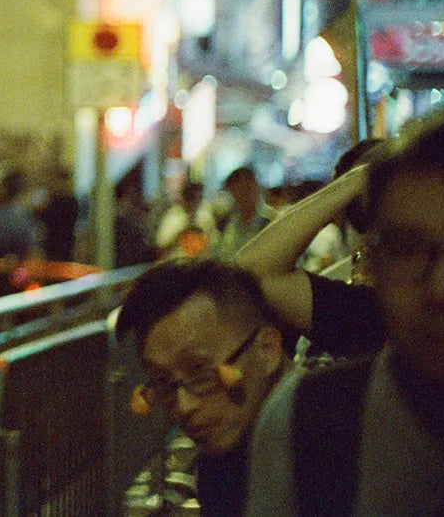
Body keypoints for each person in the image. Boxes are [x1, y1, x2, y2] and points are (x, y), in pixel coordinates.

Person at [244, 105, 444, 516]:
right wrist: (364, 176)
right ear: (370, 262)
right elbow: (253, 272)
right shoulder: (312, 422)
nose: (442, 288)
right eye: (408, 249)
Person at [116, 259, 292, 517]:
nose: (184, 407)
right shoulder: (218, 465)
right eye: (163, 383)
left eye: (200, 372)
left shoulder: (333, 439)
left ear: (267, 349)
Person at [235, 141, 386, 362]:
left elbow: (253, 269)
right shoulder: (364, 306)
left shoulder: (398, 311)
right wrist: (364, 175)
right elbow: (251, 270)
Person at [210, 165, 271, 260]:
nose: (244, 193)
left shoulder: (272, 220)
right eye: (238, 189)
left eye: (248, 187)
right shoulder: (228, 222)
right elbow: (220, 254)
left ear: (257, 187)